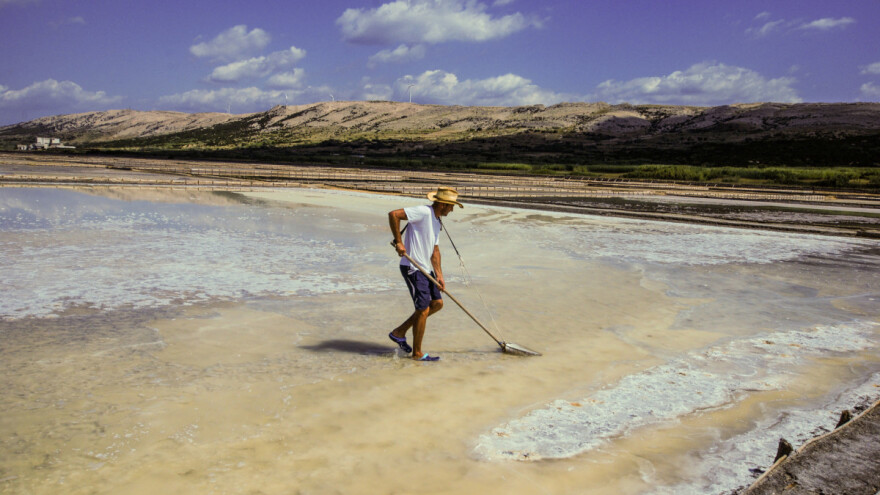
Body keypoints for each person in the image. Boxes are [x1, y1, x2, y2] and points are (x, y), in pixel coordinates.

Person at [388, 187, 463, 361]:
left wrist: (439, 275)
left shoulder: (437, 221)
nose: (452, 210)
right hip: (412, 267)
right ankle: (417, 354)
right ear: (443, 204)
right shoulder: (423, 212)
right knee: (422, 310)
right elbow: (393, 214)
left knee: (437, 303)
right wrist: (399, 243)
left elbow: (435, 250)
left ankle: (399, 332)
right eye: (451, 206)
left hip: (425, 269)